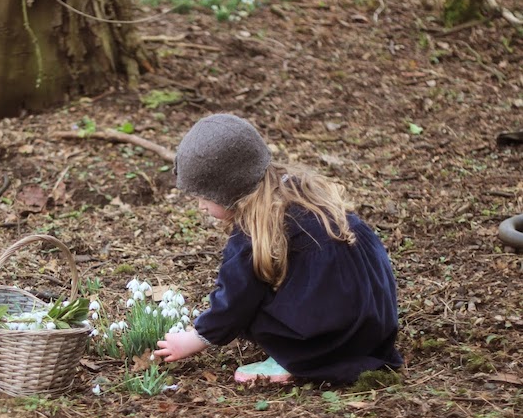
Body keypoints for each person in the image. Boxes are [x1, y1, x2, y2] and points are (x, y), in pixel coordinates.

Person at [153, 114, 403, 384]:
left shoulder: (254, 232)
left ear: (229, 191)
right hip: (373, 327)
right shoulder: (301, 194)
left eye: (204, 197)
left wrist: (196, 338)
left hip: (324, 341)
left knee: (252, 304)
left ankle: (294, 359)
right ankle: (327, 349)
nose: (201, 206)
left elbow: (234, 302)